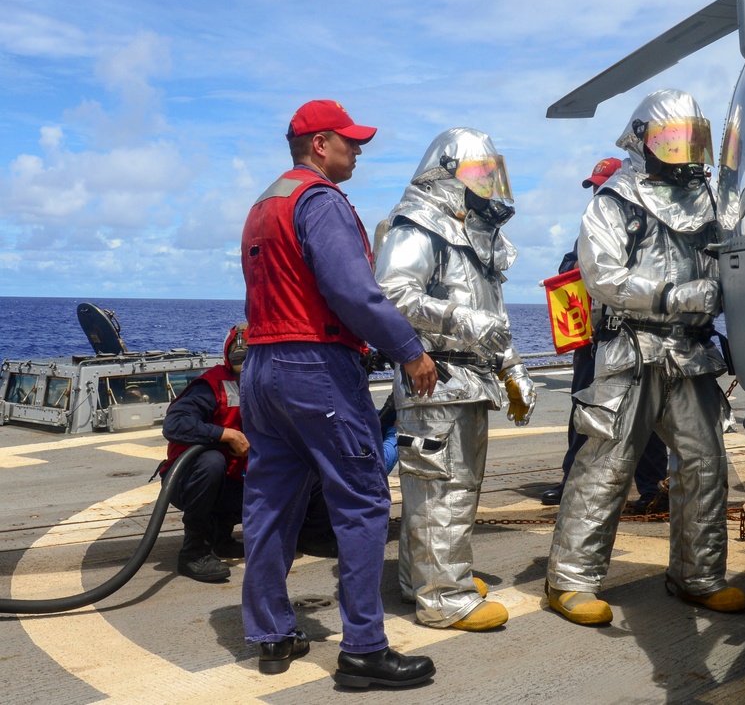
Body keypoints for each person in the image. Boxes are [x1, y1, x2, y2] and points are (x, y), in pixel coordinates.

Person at [239, 99, 437, 688]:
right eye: (350, 142)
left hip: (262, 368)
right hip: (316, 369)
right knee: (362, 501)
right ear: (320, 144)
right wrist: (409, 348)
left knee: (270, 504)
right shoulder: (320, 200)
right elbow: (353, 292)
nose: (358, 151)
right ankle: (363, 650)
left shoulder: (262, 205)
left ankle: (272, 634)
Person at [545, 89, 745, 626]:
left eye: (689, 139)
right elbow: (602, 278)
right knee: (605, 467)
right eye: (670, 139)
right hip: (630, 350)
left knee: (704, 465)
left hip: (689, 352)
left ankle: (697, 575)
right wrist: (675, 296)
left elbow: (739, 258)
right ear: (642, 141)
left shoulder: (713, 200)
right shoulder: (614, 201)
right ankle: (570, 579)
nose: (682, 151)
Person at [375, 127, 535, 632]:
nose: (488, 184)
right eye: (479, 174)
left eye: (492, 174)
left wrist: (512, 367)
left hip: (466, 382)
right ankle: (444, 596)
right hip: (434, 377)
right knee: (443, 490)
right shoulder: (418, 224)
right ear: (448, 174)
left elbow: (492, 312)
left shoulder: (473, 235)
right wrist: (463, 322)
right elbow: (391, 293)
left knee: (451, 487)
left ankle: (421, 579)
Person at [159, 323, 339, 584]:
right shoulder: (210, 386)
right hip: (190, 480)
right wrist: (226, 435)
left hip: (238, 479)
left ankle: (309, 535)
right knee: (211, 463)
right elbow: (174, 424)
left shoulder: (272, 386)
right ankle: (194, 550)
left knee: (312, 464)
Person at [540, 157, 669, 514]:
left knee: (647, 414)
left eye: (603, 184)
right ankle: (573, 482)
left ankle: (653, 488)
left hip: (634, 338)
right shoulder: (592, 227)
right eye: (595, 186)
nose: (598, 191)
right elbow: (567, 266)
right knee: (584, 410)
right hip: (594, 338)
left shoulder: (646, 227)